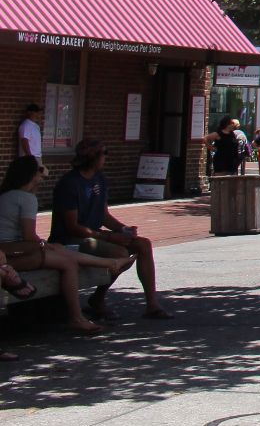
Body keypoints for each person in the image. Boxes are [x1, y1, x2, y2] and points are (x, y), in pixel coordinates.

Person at [0, 156, 132, 336]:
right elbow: (29, 236)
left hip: (10, 252)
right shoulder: (26, 198)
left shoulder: (6, 195)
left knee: (61, 251)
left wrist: (47, 245)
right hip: (16, 254)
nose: (44, 175)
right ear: (31, 175)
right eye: (40, 171)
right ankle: (76, 317)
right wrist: (45, 245)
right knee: (68, 262)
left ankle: (110, 264)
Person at [50, 140, 170, 319]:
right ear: (93, 157)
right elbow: (72, 227)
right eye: (104, 153)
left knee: (143, 244)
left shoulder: (99, 179)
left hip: (96, 234)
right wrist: (110, 237)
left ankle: (151, 304)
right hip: (70, 240)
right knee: (119, 252)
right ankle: (98, 298)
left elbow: (104, 215)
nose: (106, 157)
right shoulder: (70, 184)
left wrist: (123, 229)